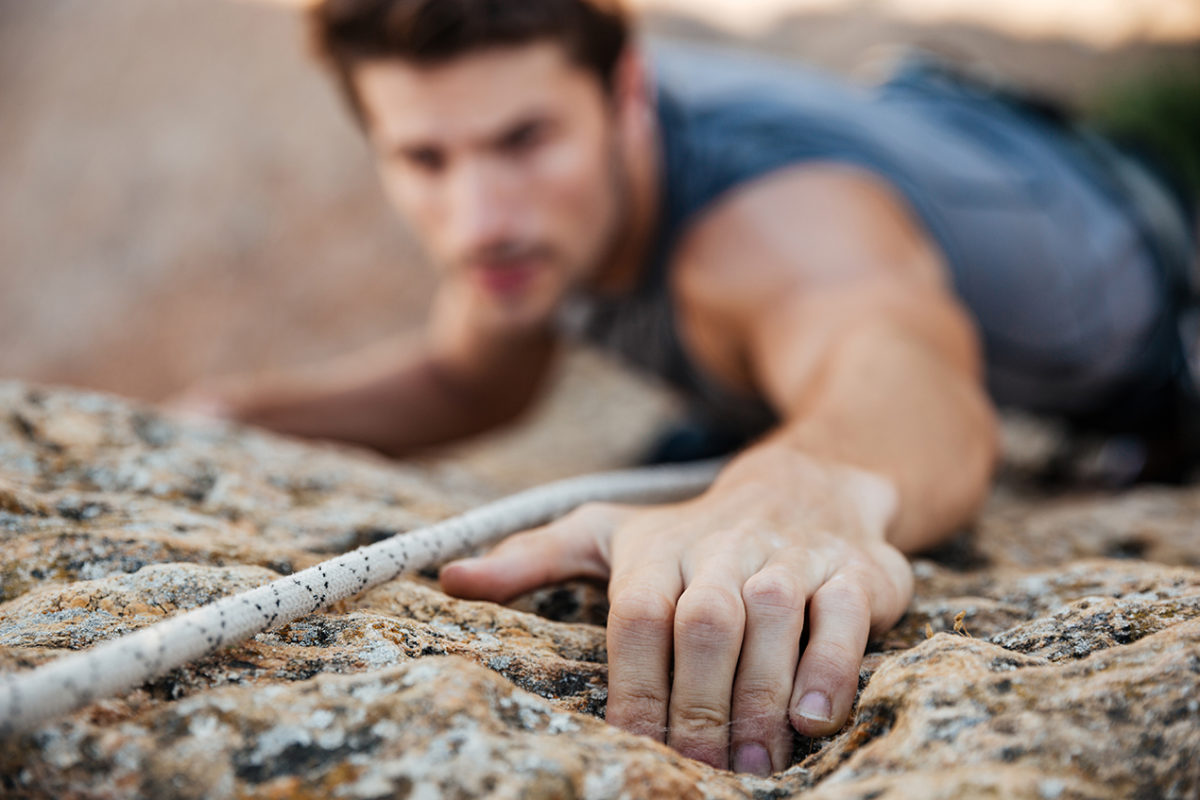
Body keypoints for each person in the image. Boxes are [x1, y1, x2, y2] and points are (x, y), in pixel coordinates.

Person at [172, 0, 1199, 777]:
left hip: (1147, 292)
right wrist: (230, 416)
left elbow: (906, 367)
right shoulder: (528, 227)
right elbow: (469, 380)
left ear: (628, 96)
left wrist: (802, 491)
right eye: (424, 156)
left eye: (523, 139)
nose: (479, 215)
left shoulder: (767, 225)